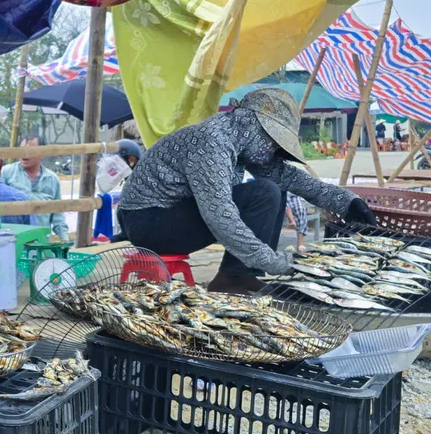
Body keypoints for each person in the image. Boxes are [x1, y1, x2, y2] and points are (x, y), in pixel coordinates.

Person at [119, 88, 376, 295]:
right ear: (256, 126)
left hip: (166, 218)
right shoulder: (213, 142)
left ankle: (239, 274)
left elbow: (289, 177)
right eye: (273, 143)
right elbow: (219, 214)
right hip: (148, 223)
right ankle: (236, 275)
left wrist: (347, 202)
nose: (273, 151)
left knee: (275, 188)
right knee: (265, 191)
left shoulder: (239, 138)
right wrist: (274, 262)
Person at [1, 136, 69, 240]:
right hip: (14, 240)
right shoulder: (6, 173)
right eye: (21, 150)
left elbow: (58, 215)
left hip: (41, 241)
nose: (24, 154)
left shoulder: (52, 179)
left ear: (42, 153)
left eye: (30, 150)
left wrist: (64, 238)